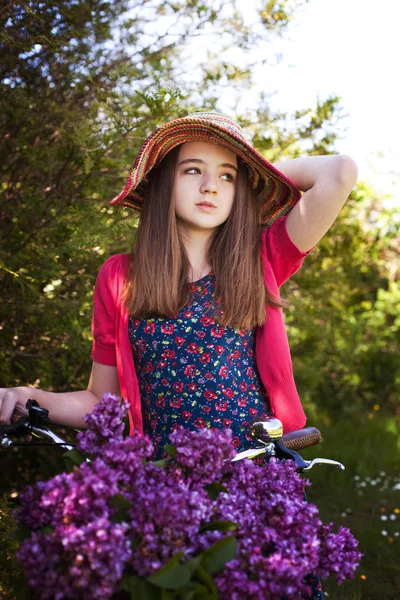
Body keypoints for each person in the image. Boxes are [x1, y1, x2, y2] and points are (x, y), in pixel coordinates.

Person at [0, 112, 358, 598]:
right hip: (167, 485)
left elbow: (339, 173)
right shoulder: (120, 278)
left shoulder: (259, 258)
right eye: (193, 170)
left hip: (253, 474)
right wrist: (28, 395)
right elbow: (101, 403)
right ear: (164, 181)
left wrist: (254, 176)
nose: (211, 186)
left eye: (226, 176)